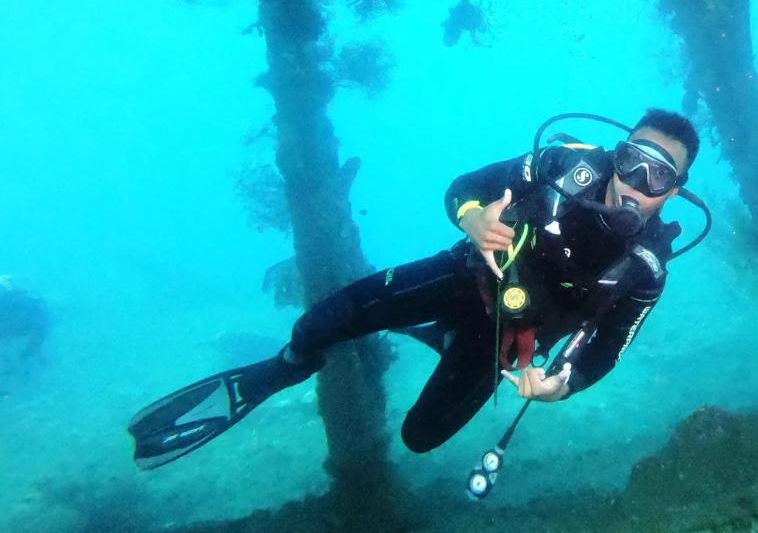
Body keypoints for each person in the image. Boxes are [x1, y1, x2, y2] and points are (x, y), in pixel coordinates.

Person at [129, 109, 702, 469]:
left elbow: (606, 350)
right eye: (632, 161)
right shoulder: (559, 166)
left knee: (420, 437)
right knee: (326, 319)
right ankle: (286, 365)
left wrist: (564, 386)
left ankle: (449, 342)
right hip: (465, 277)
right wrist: (473, 218)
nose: (636, 183)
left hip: (507, 342)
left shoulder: (647, 268)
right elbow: (464, 188)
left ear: (673, 194)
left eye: (659, 177)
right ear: (617, 155)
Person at [0, 276, 49, 360]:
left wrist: (28, 353)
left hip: (22, 324)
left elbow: (40, 328)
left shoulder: (29, 306)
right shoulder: (29, 302)